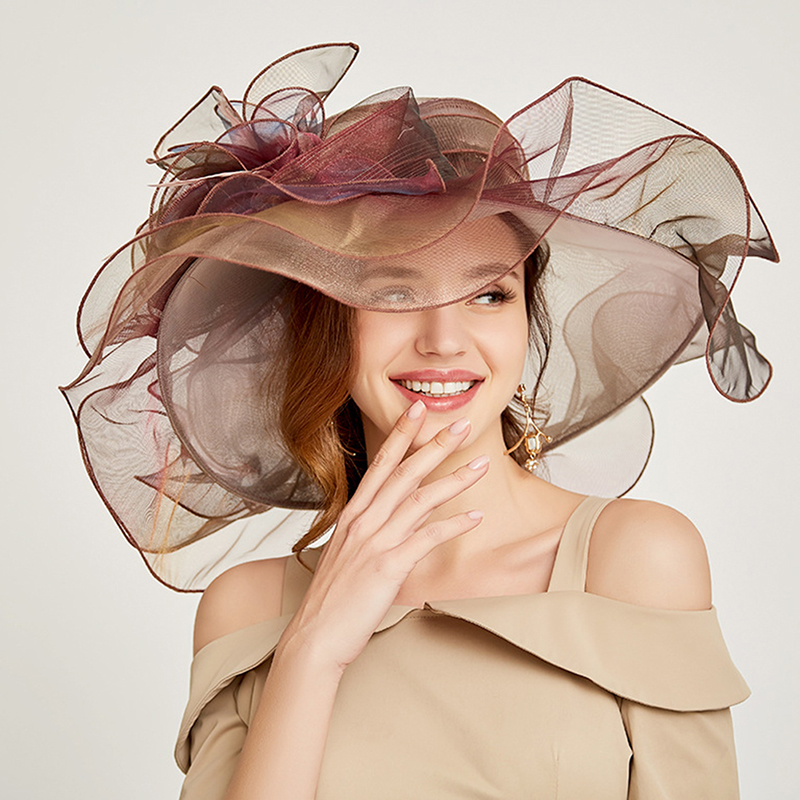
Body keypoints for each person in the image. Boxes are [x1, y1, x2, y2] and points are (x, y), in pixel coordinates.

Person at [61, 43, 777, 799]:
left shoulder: (633, 559)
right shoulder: (249, 608)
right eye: (394, 293)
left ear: (526, 321)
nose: (444, 340)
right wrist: (313, 649)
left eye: (488, 294)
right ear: (329, 324)